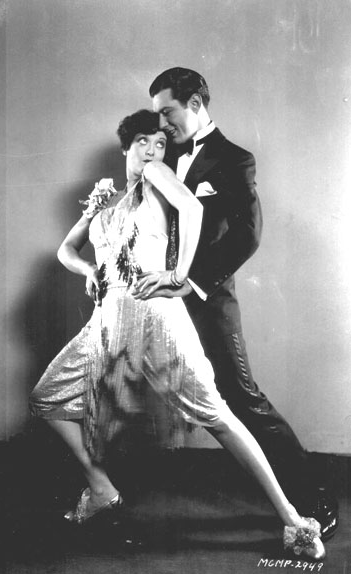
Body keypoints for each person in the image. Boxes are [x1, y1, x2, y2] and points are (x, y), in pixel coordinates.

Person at [29, 109, 325, 560]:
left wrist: (177, 274)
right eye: (143, 142)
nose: (153, 151)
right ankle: (102, 490)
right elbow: (66, 249)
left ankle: (293, 520)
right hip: (108, 321)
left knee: (217, 416)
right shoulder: (106, 198)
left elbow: (191, 207)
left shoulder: (156, 177)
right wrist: (89, 268)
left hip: (155, 316)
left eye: (161, 143)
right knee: (47, 398)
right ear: (125, 146)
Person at [147, 67, 338, 540]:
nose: (162, 124)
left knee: (241, 397)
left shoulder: (234, 159)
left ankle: (313, 495)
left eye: (168, 112)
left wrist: (192, 283)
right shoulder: (162, 154)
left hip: (207, 299)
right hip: (158, 297)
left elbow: (248, 236)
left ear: (195, 104)